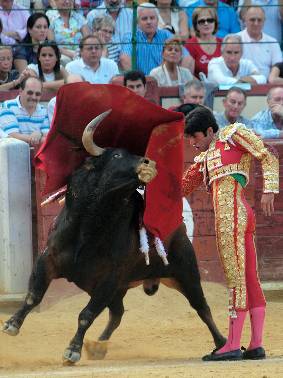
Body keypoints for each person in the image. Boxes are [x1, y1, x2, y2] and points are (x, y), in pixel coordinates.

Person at [182, 105, 279, 361]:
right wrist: (146, 185)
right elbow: (181, 188)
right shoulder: (204, 158)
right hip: (239, 216)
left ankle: (233, 345)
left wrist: (270, 188)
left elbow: (266, 155)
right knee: (248, 278)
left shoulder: (234, 133)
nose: (192, 143)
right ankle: (256, 344)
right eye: (189, 138)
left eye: (196, 137)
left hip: (233, 217)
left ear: (210, 130)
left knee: (236, 279)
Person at [120, 3, 193, 75]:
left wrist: (180, 79)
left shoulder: (166, 34)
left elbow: (188, 59)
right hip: (142, 82)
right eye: (144, 19)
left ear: (157, 20)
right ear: (137, 22)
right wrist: (138, 80)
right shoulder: (131, 37)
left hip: (165, 82)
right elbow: (124, 59)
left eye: (152, 18)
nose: (149, 22)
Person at [0, 77, 49, 146]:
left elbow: (47, 136)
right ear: (20, 91)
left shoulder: (43, 110)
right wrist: (35, 137)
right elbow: (12, 137)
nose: (34, 97)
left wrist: (39, 134)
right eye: (30, 93)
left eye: (37, 94)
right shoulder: (7, 106)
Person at [237, 6, 282, 79]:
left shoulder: (273, 42)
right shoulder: (236, 39)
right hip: (242, 86)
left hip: (267, 86)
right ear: (245, 20)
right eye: (252, 20)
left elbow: (278, 66)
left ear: (264, 21)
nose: (256, 23)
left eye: (259, 20)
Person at [47, 0, 90, 65]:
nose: (67, 1)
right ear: (55, 2)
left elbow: (88, 40)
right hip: (60, 55)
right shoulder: (50, 16)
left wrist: (81, 53)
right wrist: (71, 54)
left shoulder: (79, 17)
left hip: (80, 55)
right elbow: (52, 45)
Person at [185, 6, 222, 79]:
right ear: (196, 25)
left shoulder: (223, 43)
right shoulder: (190, 45)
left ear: (215, 23)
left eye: (210, 20)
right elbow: (187, 75)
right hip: (199, 87)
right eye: (202, 21)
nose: (206, 23)